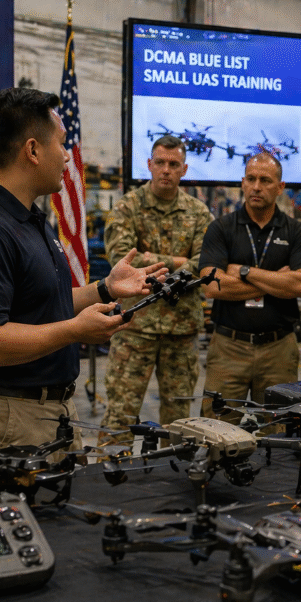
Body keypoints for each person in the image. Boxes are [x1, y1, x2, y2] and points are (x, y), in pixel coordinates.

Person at [0, 88, 165, 472]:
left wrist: (104, 289)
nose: (67, 156)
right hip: (5, 421)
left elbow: (41, 302)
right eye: (62, 144)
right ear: (32, 150)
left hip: (47, 414)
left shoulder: (27, 220)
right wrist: (75, 331)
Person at [99, 135, 214, 441]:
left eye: (173, 164)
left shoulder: (199, 213)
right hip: (135, 328)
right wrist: (179, 261)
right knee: (120, 414)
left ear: (184, 169)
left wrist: (152, 259)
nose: (166, 170)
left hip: (181, 331)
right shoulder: (126, 208)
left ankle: (173, 479)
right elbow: (122, 264)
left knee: (179, 419)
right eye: (160, 163)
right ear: (149, 165)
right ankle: (111, 476)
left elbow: (205, 263)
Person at [199, 152, 301, 406]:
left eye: (265, 180)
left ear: (280, 187)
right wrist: (277, 282)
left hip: (279, 349)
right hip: (229, 347)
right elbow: (210, 285)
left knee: (280, 428)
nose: (256, 187)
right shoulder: (221, 228)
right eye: (250, 179)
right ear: (242, 182)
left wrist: (244, 271)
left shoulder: (296, 232)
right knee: (220, 429)